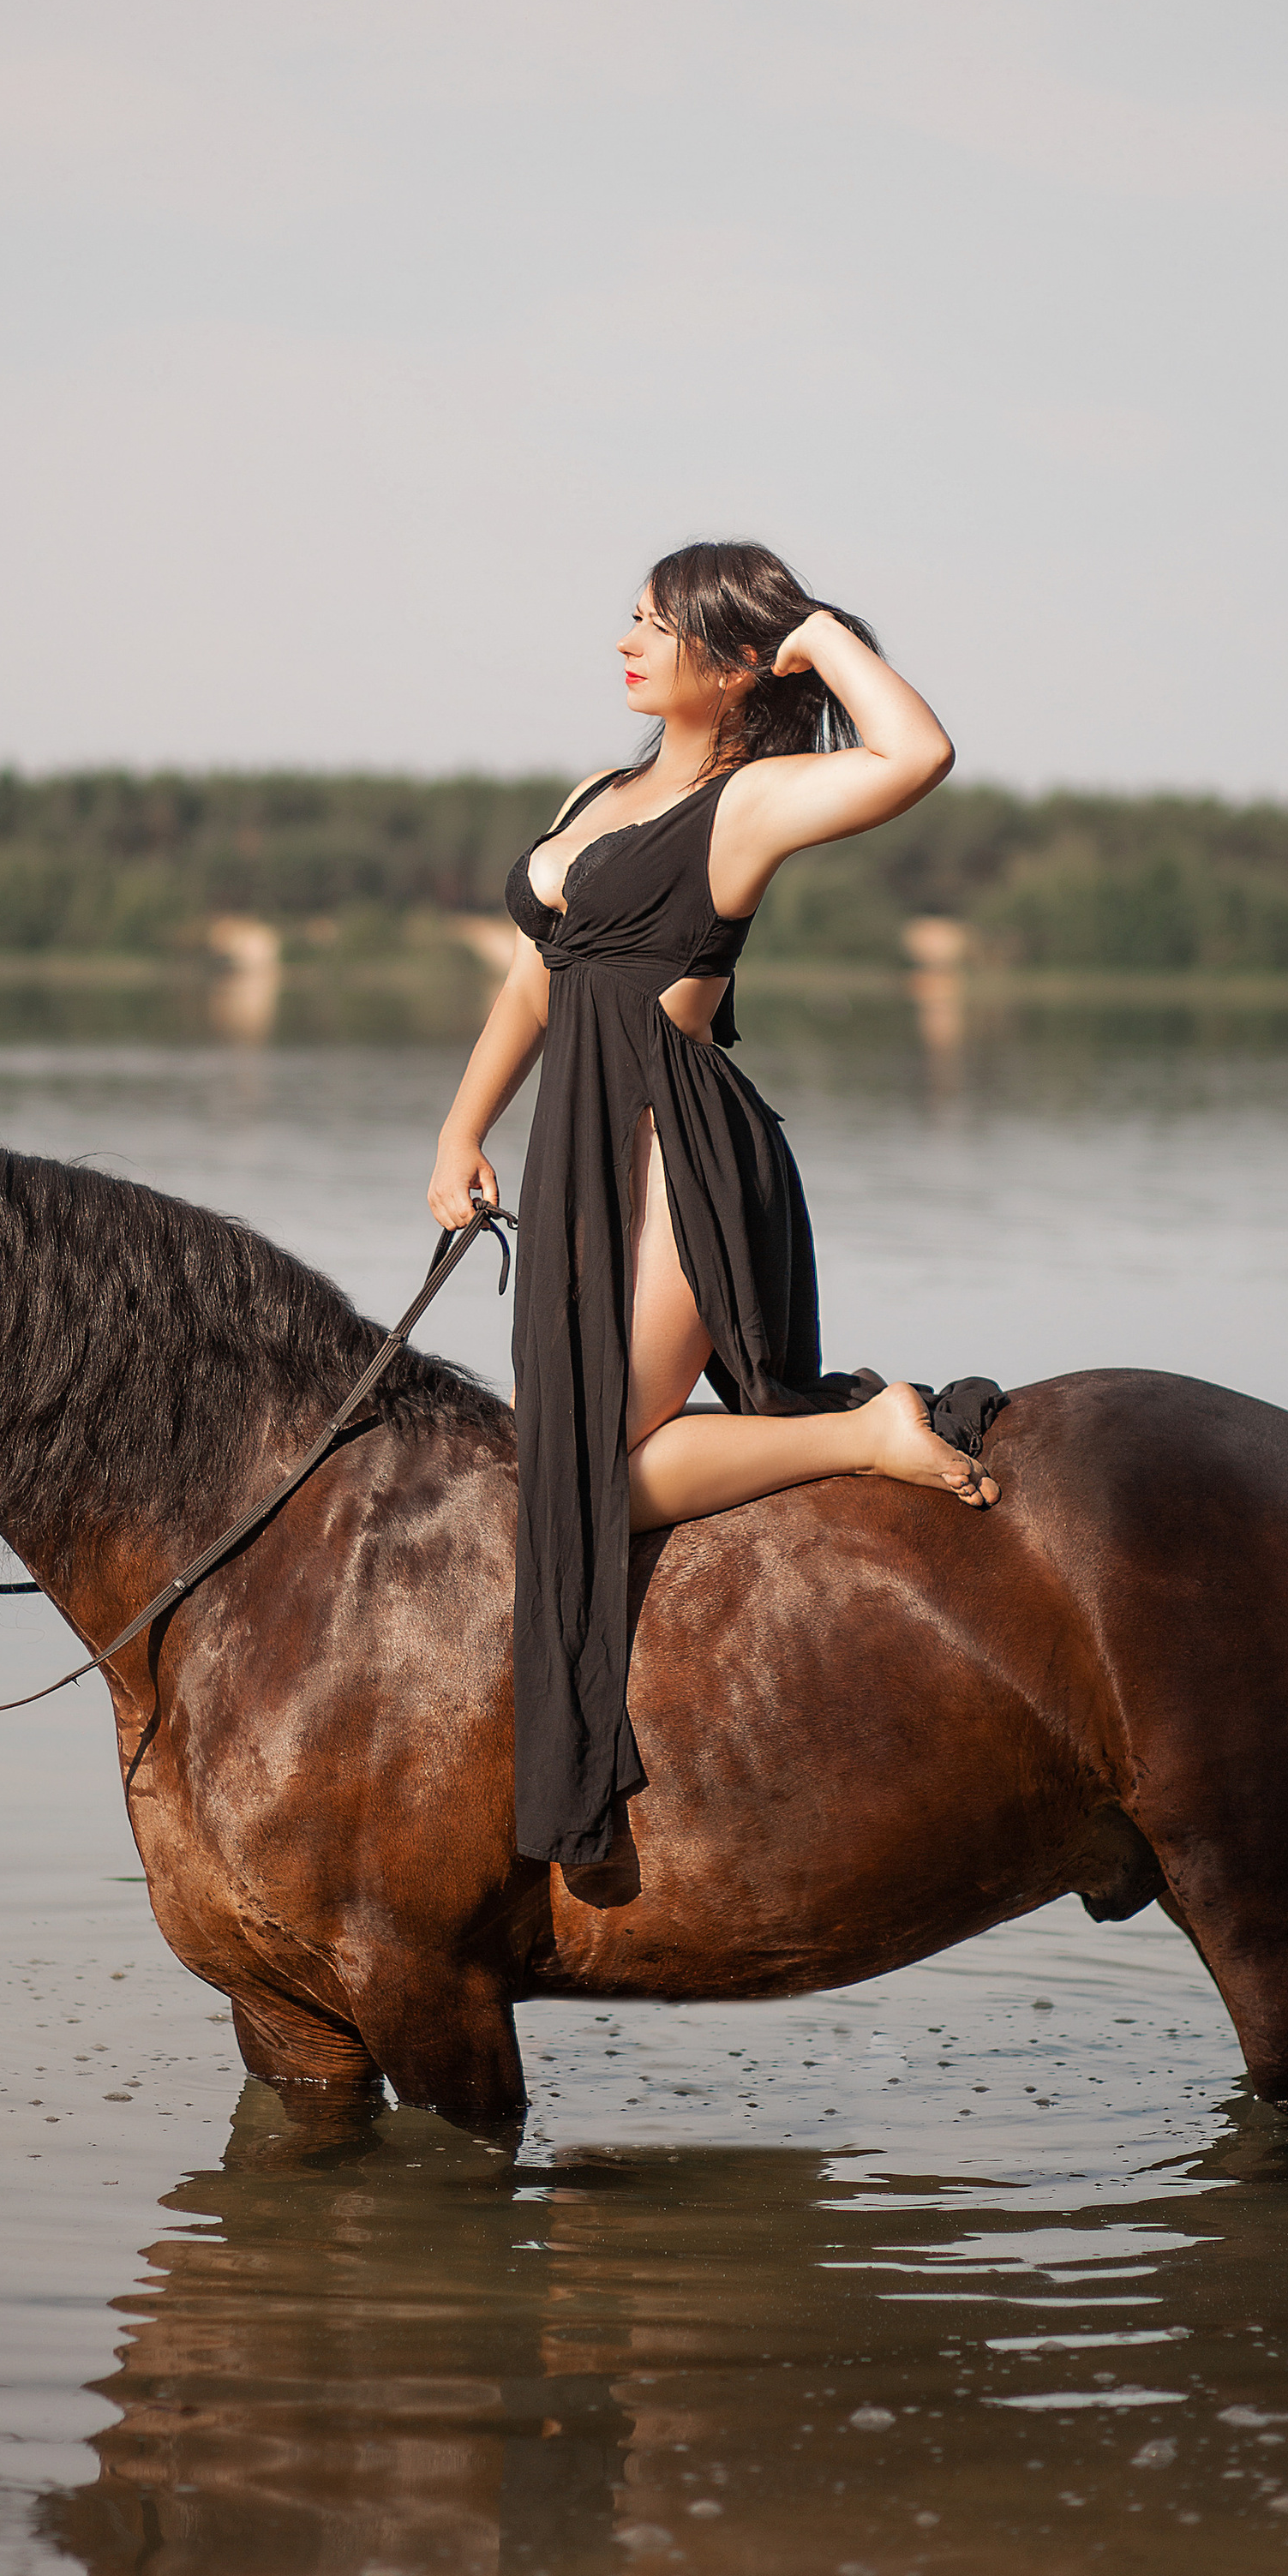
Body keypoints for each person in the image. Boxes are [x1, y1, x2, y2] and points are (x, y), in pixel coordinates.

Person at [428, 542, 994, 1885]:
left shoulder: (753, 805)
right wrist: (461, 1130)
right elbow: (531, 986)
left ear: (736, 661)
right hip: (572, 1152)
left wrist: (813, 634)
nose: (625, 641)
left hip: (673, 1149)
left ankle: (872, 1432)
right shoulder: (598, 789)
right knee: (554, 1471)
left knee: (593, 1477)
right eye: (626, 616)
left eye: (657, 624)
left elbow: (917, 756)